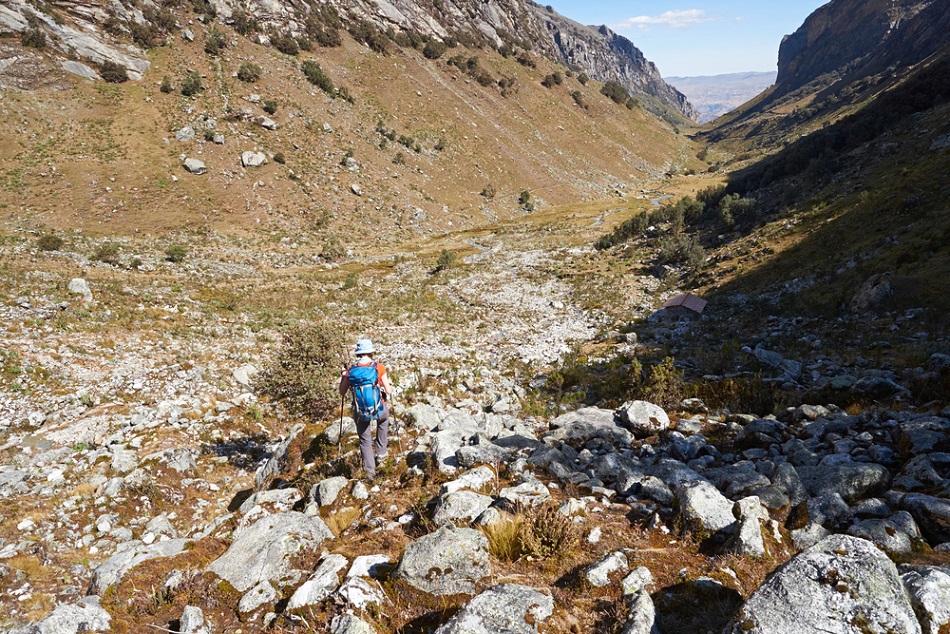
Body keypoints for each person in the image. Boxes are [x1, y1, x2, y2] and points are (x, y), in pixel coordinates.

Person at [339, 338, 393, 480]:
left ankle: (370, 473)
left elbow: (342, 392)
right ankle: (381, 454)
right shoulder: (378, 367)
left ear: (358, 353)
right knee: (383, 420)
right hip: (379, 408)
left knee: (365, 439)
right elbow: (388, 390)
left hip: (360, 411)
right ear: (371, 352)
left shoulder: (351, 370)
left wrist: (344, 375)